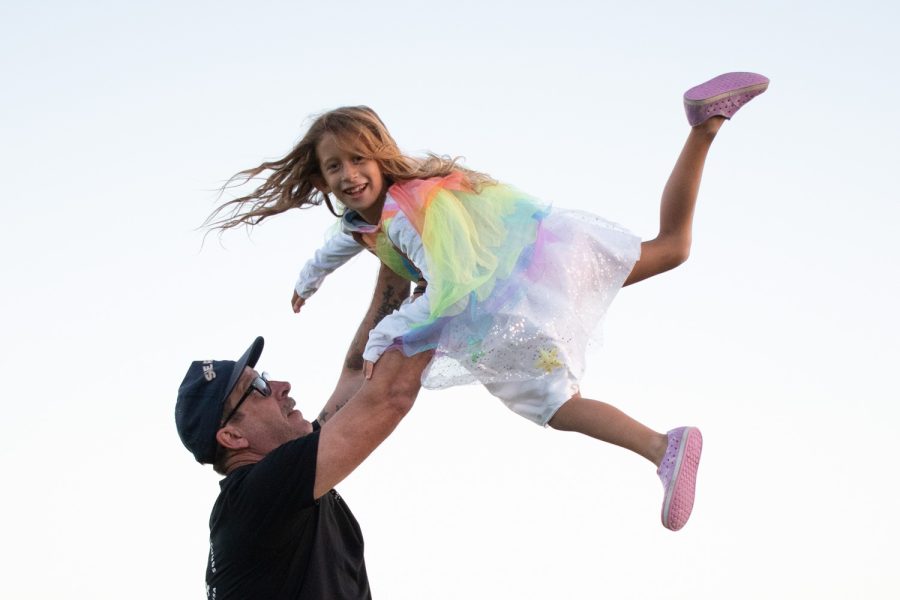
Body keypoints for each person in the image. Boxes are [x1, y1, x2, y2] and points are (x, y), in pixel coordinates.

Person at [206, 71, 770, 531]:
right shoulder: (363, 221)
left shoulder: (404, 218)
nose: (350, 176)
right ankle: (705, 126)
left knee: (553, 406)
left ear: (381, 157)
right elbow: (335, 248)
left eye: (359, 160)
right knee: (671, 249)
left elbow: (444, 291)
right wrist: (307, 284)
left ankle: (661, 446)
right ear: (323, 178)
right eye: (335, 167)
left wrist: (384, 339)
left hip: (502, 305)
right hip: (537, 262)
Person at [175, 265, 428, 599]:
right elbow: (388, 396)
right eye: (259, 387)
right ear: (233, 437)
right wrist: (441, 289)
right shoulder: (257, 498)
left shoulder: (280, 488)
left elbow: (359, 373)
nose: (282, 386)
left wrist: (390, 243)